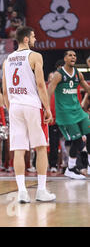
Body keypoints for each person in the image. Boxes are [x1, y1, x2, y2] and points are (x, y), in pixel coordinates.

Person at [2, 26, 55, 203]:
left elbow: (4, 91)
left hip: (15, 106)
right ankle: (41, 190)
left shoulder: (7, 60)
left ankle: (22, 192)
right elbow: (40, 84)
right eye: (33, 36)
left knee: (19, 149)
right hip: (32, 105)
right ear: (26, 39)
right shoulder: (34, 56)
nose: (35, 39)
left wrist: (11, 109)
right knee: (40, 147)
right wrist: (47, 108)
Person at [47, 50, 90, 180]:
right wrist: (47, 109)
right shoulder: (59, 75)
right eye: (70, 55)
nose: (73, 57)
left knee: (89, 134)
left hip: (78, 111)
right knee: (77, 140)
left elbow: (88, 89)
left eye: (75, 55)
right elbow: (49, 92)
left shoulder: (78, 74)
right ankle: (70, 169)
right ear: (65, 58)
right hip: (65, 114)